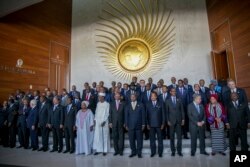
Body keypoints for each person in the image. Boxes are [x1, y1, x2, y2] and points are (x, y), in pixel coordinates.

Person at [125, 94, 145, 158]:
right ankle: (133, 152)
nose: (132, 98)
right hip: (130, 126)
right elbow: (126, 116)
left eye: (134, 97)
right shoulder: (127, 105)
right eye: (131, 97)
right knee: (131, 140)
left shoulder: (141, 104)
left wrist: (143, 124)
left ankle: (139, 153)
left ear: (136, 97)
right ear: (130, 98)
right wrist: (126, 124)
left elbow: (143, 115)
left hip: (139, 125)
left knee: (139, 140)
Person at [166, 88, 185, 156]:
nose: (174, 92)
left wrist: (183, 119)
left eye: (175, 91)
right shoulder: (167, 101)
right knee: (172, 137)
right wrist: (167, 120)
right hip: (171, 121)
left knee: (179, 137)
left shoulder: (179, 100)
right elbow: (166, 112)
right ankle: (173, 151)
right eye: (172, 91)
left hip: (179, 120)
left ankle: (179, 151)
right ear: (170, 92)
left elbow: (182, 110)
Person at [146, 92, 165, 157]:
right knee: (152, 140)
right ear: (150, 97)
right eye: (151, 96)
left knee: (160, 139)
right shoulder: (148, 104)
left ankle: (160, 152)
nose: (153, 97)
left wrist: (163, 123)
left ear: (156, 97)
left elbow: (163, 114)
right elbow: (146, 115)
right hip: (151, 125)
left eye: (154, 96)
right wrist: (147, 124)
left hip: (159, 124)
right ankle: (153, 152)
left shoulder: (161, 103)